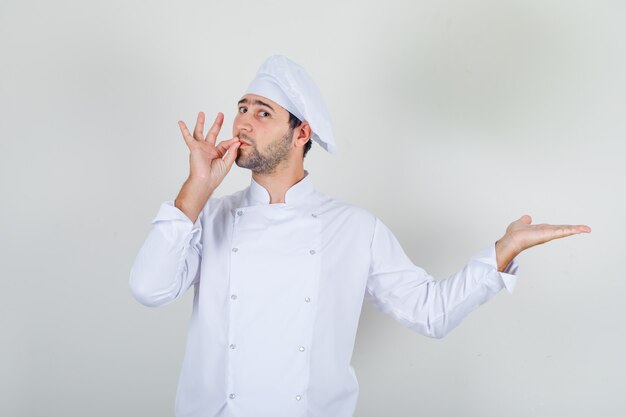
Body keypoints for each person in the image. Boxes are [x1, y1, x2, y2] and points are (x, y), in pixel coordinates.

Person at [129, 55, 591, 417]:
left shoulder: (354, 228)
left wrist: (501, 253)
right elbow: (148, 288)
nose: (242, 122)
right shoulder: (204, 217)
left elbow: (430, 313)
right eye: (242, 109)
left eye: (263, 112)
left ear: (300, 133)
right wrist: (196, 188)